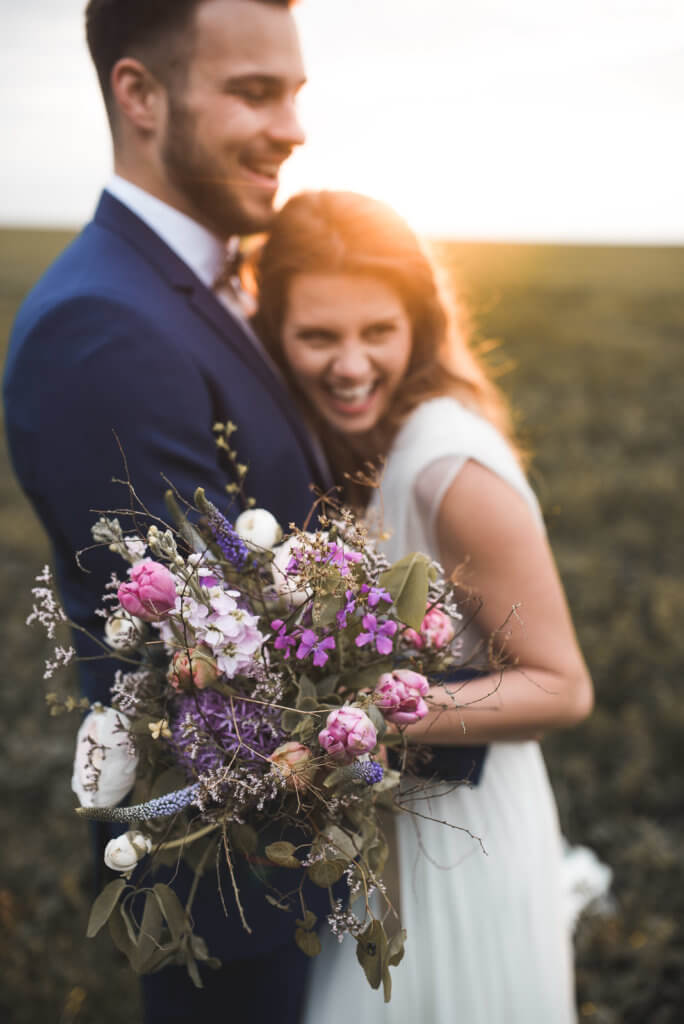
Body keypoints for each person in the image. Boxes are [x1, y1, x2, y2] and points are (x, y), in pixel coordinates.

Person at [3, 3, 334, 1021]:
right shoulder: (103, 325)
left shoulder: (198, 285)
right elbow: (223, 662)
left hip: (299, 863)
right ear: (139, 94)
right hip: (235, 889)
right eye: (253, 91)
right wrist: (485, 702)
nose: (292, 127)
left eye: (295, 92)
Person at [251, 190, 595, 1022]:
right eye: (318, 336)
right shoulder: (372, 443)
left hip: (464, 840)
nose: (352, 364)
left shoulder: (447, 469)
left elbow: (561, 685)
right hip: (394, 833)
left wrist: (363, 717)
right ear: (273, 334)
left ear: (418, 326)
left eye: (378, 332)